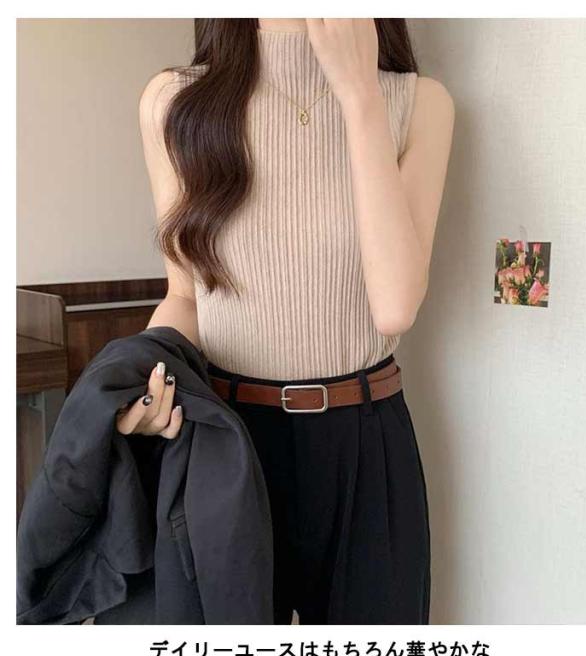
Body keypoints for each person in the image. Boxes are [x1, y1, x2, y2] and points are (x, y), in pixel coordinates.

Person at [118, 17, 454, 624]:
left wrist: (359, 95)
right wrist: (147, 382)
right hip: (226, 437)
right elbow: (185, 295)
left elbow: (395, 306)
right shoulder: (174, 102)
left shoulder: (419, 103)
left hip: (365, 439)